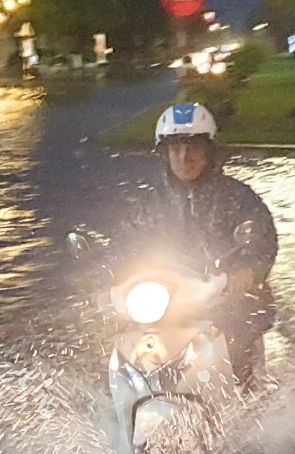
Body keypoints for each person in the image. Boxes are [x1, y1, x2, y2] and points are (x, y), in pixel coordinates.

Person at [117, 101, 278, 387]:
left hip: (226, 303)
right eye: (174, 148)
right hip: (164, 303)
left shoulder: (237, 198)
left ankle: (249, 410)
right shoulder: (150, 203)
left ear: (208, 150)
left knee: (239, 348)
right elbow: (125, 245)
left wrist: (246, 273)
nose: (183, 156)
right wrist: (107, 279)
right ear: (164, 153)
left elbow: (261, 241)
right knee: (118, 340)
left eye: (193, 147)